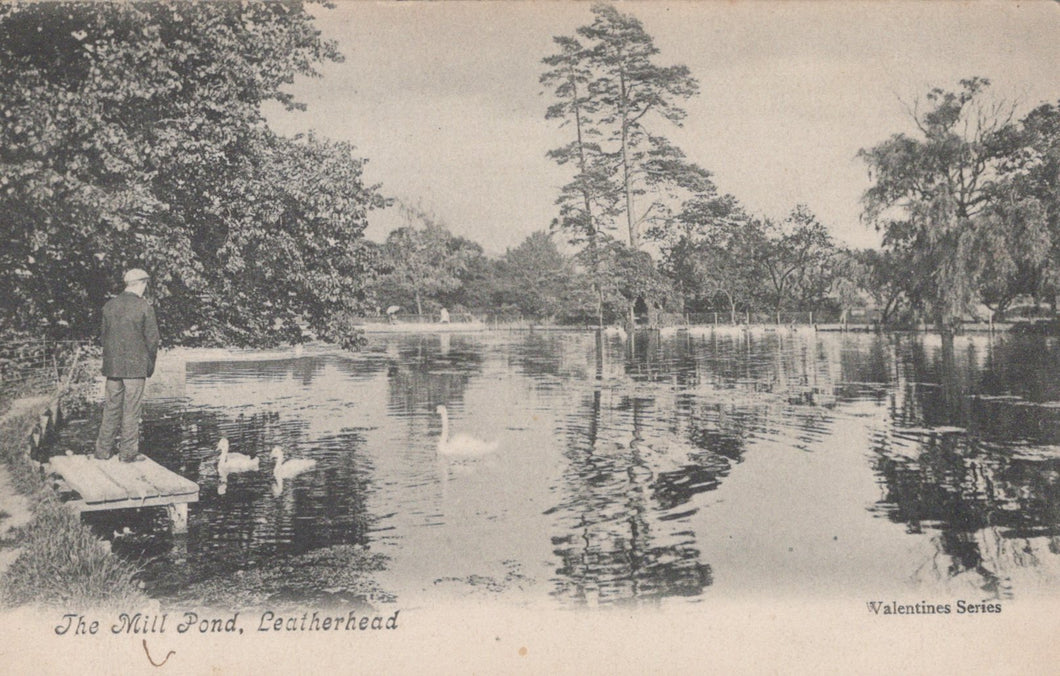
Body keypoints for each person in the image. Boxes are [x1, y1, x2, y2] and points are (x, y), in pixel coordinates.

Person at [94, 268, 160, 462]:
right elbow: (153, 341)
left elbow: (103, 338)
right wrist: (149, 365)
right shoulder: (144, 307)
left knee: (111, 408)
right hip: (135, 368)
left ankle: (102, 451)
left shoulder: (109, 306)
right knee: (131, 410)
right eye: (145, 284)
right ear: (140, 284)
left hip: (112, 367)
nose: (145, 288)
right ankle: (128, 454)